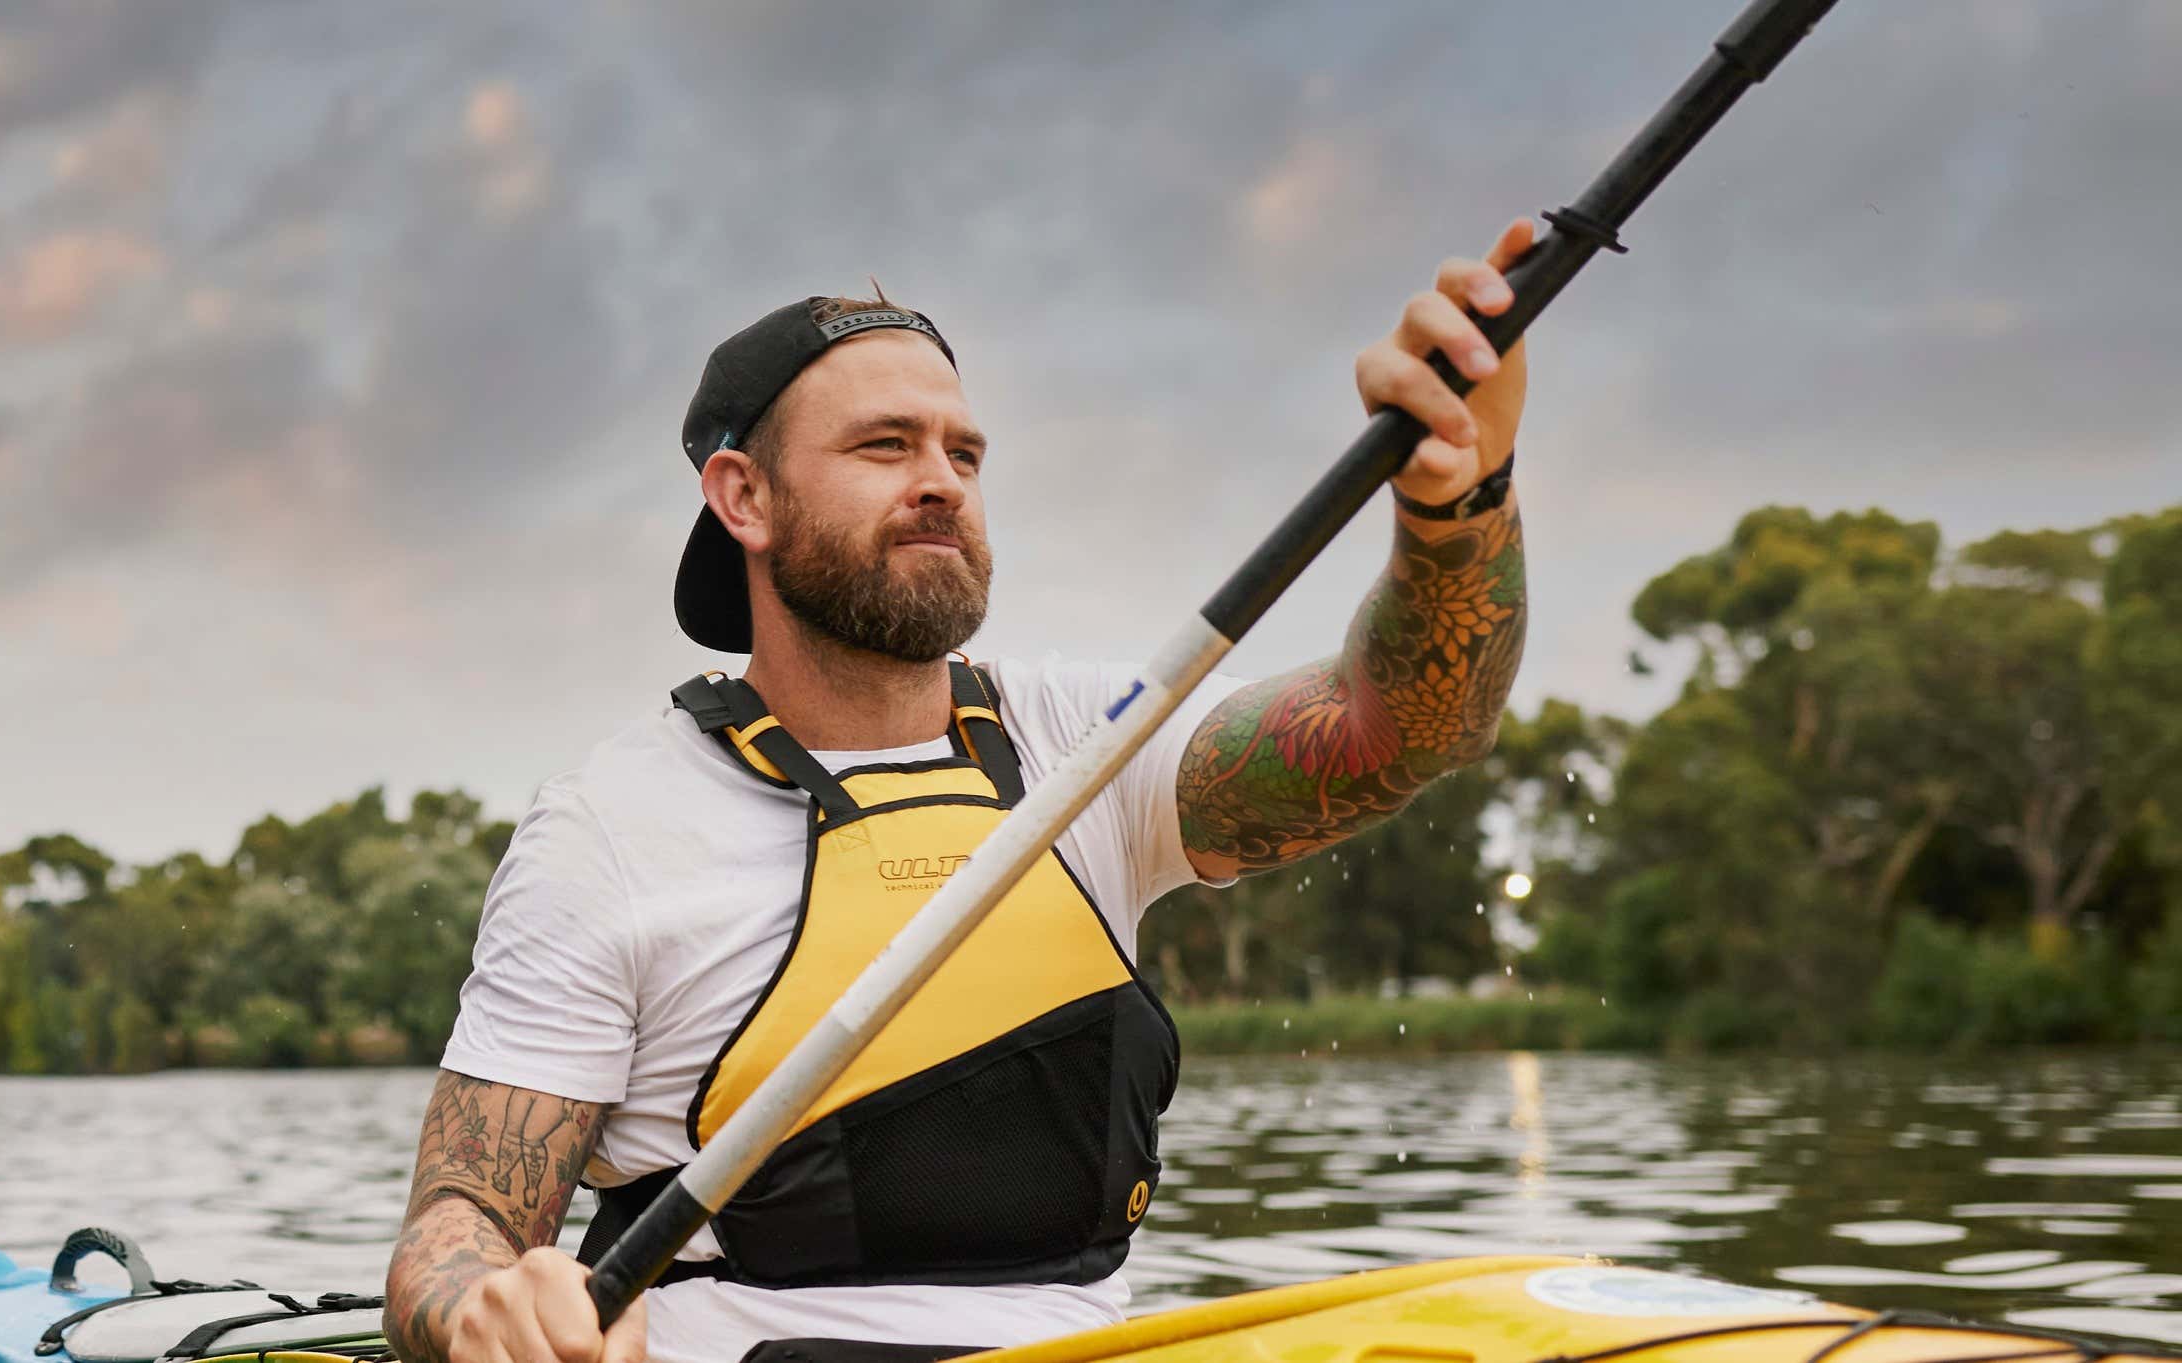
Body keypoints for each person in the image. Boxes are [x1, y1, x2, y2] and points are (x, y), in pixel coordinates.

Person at [384, 220, 1542, 1363]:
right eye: (885, 446)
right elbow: (459, 1226)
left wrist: (1458, 501)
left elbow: (1404, 727)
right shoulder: (608, 830)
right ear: (744, 497)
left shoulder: (1085, 742)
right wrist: (481, 1304)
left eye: (964, 454)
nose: (940, 481)